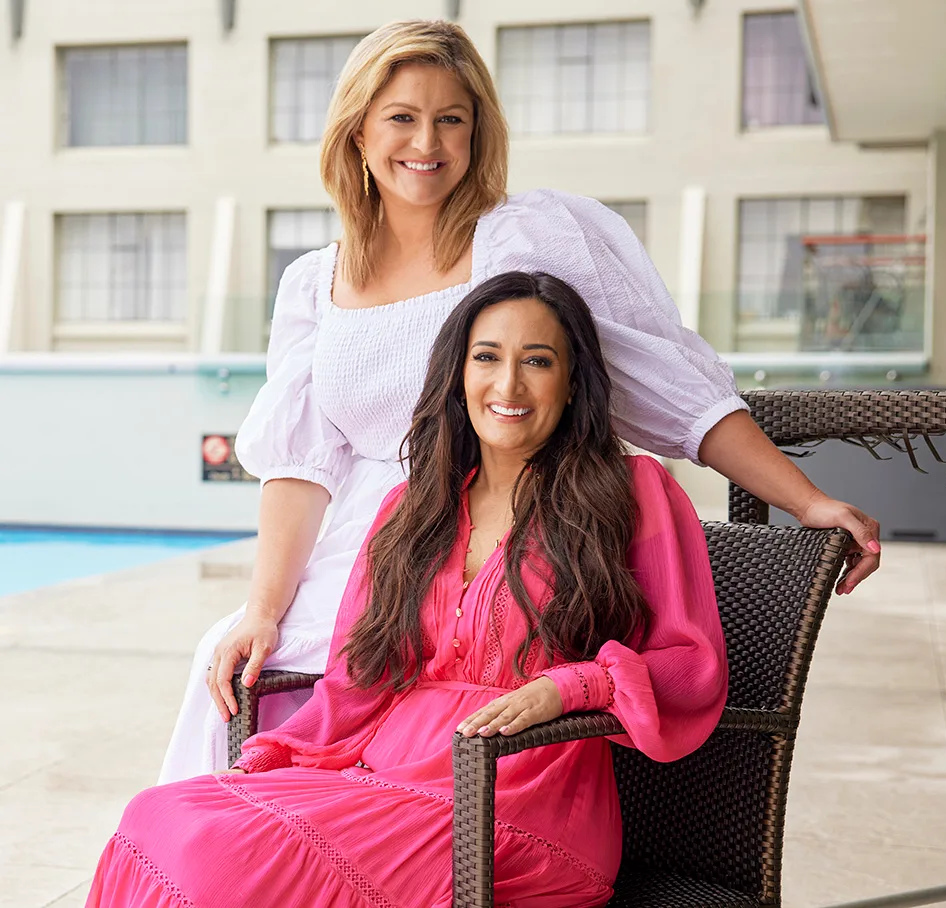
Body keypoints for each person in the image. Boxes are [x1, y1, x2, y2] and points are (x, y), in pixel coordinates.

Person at [159, 18, 880, 783]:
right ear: (358, 131)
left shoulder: (524, 240)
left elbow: (671, 391)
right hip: (372, 555)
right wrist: (263, 609)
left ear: (477, 132)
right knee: (231, 667)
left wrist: (806, 500)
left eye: (451, 119)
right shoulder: (314, 282)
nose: (426, 142)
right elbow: (302, 468)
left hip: (493, 543)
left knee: (395, 705)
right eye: (401, 117)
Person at [87, 273, 728, 908]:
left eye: (537, 361)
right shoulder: (411, 509)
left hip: (523, 797)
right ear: (458, 375)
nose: (508, 385)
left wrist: (568, 687)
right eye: (487, 358)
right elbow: (359, 680)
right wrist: (278, 752)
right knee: (158, 815)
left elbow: (690, 664)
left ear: (573, 383)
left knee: (228, 863)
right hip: (381, 775)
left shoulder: (633, 492)